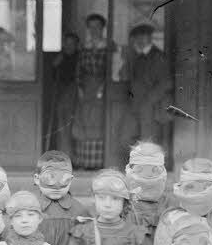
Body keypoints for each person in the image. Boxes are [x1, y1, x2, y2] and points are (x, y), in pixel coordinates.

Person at [70, 14, 113, 170]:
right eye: (91, 27)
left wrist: (103, 87)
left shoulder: (109, 46)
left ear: (103, 28)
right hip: (86, 89)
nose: (94, 30)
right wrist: (80, 87)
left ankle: (98, 163)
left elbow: (112, 69)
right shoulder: (84, 47)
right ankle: (85, 162)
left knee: (98, 122)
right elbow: (78, 70)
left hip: (103, 89)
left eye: (97, 27)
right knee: (84, 122)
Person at [123, 24, 173, 153]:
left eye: (144, 37)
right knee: (136, 139)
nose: (140, 40)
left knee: (149, 140)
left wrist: (148, 101)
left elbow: (166, 83)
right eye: (137, 37)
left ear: (150, 38)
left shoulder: (158, 56)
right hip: (138, 106)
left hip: (153, 107)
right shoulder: (138, 57)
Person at [44, 31, 80, 151]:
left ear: (76, 45)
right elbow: (52, 73)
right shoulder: (60, 56)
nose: (69, 46)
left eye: (72, 43)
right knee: (62, 121)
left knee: (74, 122)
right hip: (62, 91)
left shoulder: (80, 57)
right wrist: (55, 64)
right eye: (67, 43)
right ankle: (64, 151)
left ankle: (73, 154)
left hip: (75, 91)